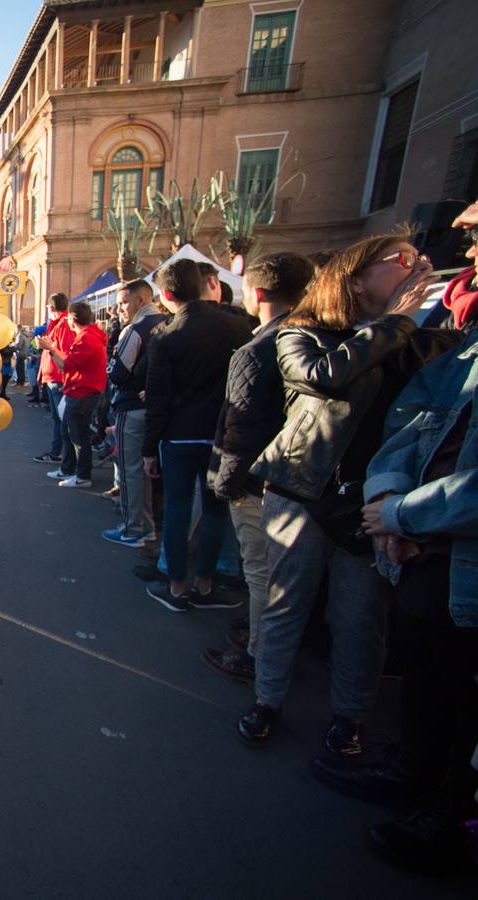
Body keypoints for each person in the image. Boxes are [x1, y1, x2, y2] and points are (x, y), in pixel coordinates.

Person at [241, 230, 462, 752]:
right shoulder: (303, 332)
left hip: (370, 500)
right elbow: (325, 377)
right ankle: (266, 699)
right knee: (284, 603)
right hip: (302, 489)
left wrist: (407, 325)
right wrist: (394, 324)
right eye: (401, 259)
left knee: (361, 618)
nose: (416, 267)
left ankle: (349, 717)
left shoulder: (419, 339)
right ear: (356, 279)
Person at [330, 233, 477, 873]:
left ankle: (445, 813)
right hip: (421, 546)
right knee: (428, 677)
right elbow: (409, 423)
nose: (464, 258)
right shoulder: (459, 347)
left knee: (459, 697)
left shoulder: (431, 333)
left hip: (444, 542)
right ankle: (415, 778)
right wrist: (391, 503)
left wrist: (398, 511)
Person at [203, 253, 317, 682]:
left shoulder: (259, 348)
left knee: (263, 574)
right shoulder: (317, 337)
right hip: (300, 478)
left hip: (259, 481)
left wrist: (227, 481)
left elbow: (241, 425)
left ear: (257, 292)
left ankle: (257, 655)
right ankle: (264, 640)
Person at [142, 258, 253, 612]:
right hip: (222, 434)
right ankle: (205, 585)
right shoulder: (238, 326)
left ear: (166, 293)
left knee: (176, 511)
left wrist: (148, 448)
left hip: (178, 436)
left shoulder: (166, 334)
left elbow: (157, 396)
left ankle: (177, 587)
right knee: (215, 510)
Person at [101, 280, 166, 546]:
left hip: (133, 408)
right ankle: (145, 526)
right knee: (147, 471)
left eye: (123, 302)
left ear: (140, 301)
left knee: (132, 470)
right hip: (160, 408)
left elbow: (117, 373)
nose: (119, 309)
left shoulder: (136, 330)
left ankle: (133, 528)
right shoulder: (168, 323)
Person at [40, 302, 107, 488]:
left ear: (71, 319)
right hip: (81, 391)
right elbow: (70, 362)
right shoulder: (91, 336)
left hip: (82, 392)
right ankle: (68, 468)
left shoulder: (86, 339)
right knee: (69, 431)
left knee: (78, 435)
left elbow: (68, 365)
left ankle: (82, 475)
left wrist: (51, 350)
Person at [31, 293, 72, 463]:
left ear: (51, 308)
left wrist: (49, 348)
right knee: (58, 419)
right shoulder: (56, 325)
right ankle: (58, 453)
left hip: (58, 378)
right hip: (53, 378)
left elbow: (65, 353)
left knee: (62, 420)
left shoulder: (63, 325)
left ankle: (61, 455)